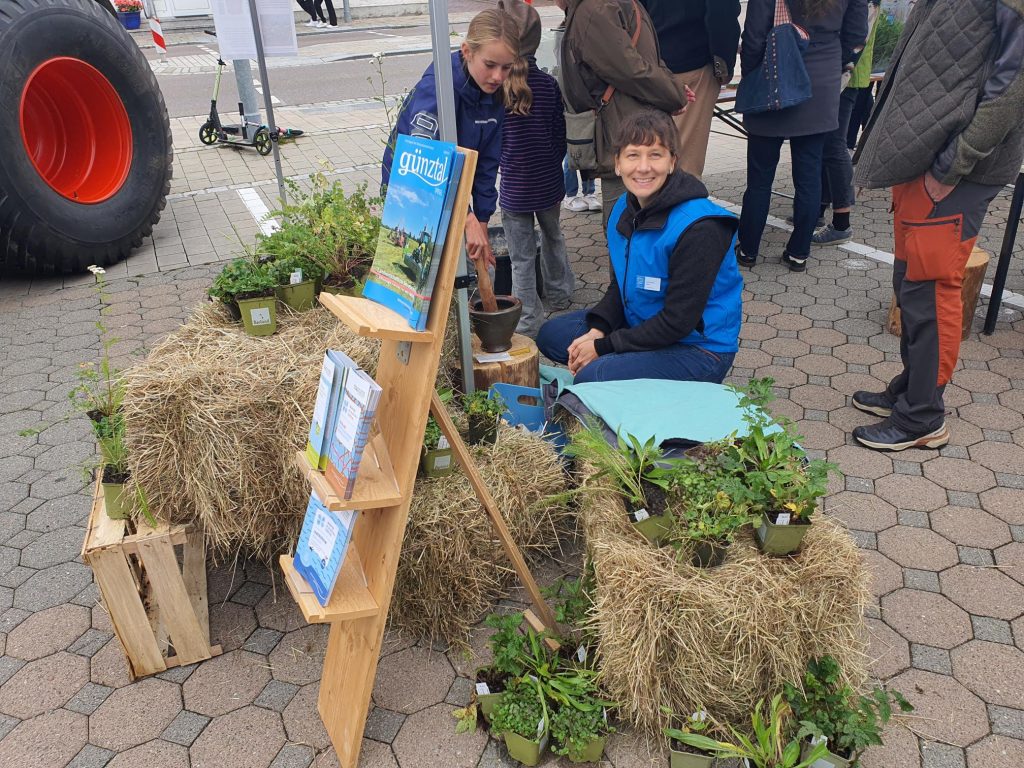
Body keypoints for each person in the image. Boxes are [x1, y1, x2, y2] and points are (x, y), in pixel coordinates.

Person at [849, 0, 1024, 452]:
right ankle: (912, 389)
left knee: (929, 290)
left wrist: (953, 165)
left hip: (955, 171)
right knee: (909, 284)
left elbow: (1011, 88)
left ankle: (922, 416)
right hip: (925, 159)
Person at [536, 109, 742, 385]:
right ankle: (627, 373)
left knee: (592, 375)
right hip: (642, 321)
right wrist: (598, 330)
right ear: (617, 164)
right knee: (551, 335)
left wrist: (602, 348)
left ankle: (642, 382)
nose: (643, 167)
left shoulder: (701, 227)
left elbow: (677, 322)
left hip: (698, 348)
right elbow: (622, 285)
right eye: (633, 155)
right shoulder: (623, 208)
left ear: (672, 162)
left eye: (655, 155)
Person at [382, 9, 524, 266]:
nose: (498, 77)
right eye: (490, 65)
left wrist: (481, 221)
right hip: (414, 189)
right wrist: (466, 218)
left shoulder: (495, 93)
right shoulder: (437, 88)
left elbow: (486, 163)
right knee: (422, 269)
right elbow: (424, 163)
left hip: (452, 193)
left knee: (469, 266)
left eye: (507, 67)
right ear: (467, 51)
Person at [735, 0, 868, 272]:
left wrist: (753, 75)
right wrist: (831, 60)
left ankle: (748, 249)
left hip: (773, 74)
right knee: (809, 174)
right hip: (819, 80)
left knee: (759, 178)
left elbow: (754, 36)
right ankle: (798, 253)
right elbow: (856, 35)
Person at [557, 0, 689, 226]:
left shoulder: (603, 6)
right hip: (624, 134)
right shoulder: (597, 8)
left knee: (648, 226)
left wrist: (673, 89)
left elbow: (646, 60)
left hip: (634, 130)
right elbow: (630, 70)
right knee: (626, 229)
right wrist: (673, 94)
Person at [497, 0, 576, 338]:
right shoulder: (547, 84)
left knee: (521, 257)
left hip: (515, 188)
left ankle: (528, 318)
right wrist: (550, 163)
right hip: (547, 182)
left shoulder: (497, 90)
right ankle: (560, 293)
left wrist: (506, 165)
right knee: (554, 237)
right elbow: (560, 134)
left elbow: (493, 143)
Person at [638, 0, 741, 178]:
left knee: (652, 150)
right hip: (693, 62)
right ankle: (678, 194)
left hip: (650, 66)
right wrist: (724, 65)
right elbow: (722, 13)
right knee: (685, 161)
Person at [812, 0, 881, 247]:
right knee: (826, 144)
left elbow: (855, 38)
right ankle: (818, 210)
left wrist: (834, 66)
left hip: (845, 78)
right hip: (842, 75)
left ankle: (842, 222)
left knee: (834, 146)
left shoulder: (867, 3)